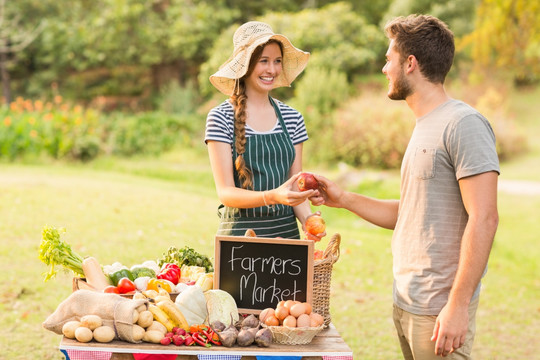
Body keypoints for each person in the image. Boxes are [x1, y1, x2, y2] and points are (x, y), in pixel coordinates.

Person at [310, 15, 499, 359]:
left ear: (410, 63)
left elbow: (484, 218)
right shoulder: (424, 125)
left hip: (439, 312)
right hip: (407, 302)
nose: (384, 68)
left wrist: (456, 306)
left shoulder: (463, 123)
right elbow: (412, 212)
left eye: (388, 59)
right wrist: (344, 198)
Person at [205, 21, 324, 241]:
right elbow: (226, 193)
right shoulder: (220, 117)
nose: (272, 69)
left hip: (286, 239)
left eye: (277, 61)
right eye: (264, 61)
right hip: (240, 241)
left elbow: (294, 185)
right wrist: (273, 196)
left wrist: (308, 220)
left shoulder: (293, 118)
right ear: (246, 65)